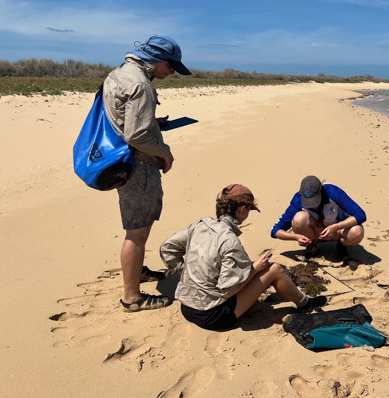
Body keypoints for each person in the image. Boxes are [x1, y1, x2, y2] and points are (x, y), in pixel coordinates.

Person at [159, 184, 327, 330]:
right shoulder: (230, 241)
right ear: (242, 209)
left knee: (241, 268)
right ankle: (305, 303)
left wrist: (184, 271)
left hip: (187, 307)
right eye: (249, 209)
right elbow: (227, 291)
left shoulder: (200, 224)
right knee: (274, 269)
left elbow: (167, 249)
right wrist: (254, 269)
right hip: (212, 315)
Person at [104, 34, 192, 312]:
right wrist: (164, 151)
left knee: (137, 227)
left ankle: (138, 272)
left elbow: (124, 117)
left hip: (122, 160)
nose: (173, 72)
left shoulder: (119, 73)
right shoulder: (141, 84)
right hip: (137, 166)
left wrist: (153, 121)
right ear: (160, 61)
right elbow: (137, 134)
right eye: (172, 66)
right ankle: (132, 298)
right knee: (136, 233)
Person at [271, 176, 366, 259]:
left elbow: (360, 215)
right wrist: (295, 237)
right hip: (316, 231)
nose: (312, 205)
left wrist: (335, 227)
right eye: (308, 202)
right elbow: (275, 230)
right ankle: (313, 245)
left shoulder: (333, 192)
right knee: (299, 219)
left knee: (357, 232)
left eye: (315, 201)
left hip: (337, 231)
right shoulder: (298, 199)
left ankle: (341, 246)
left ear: (321, 192)